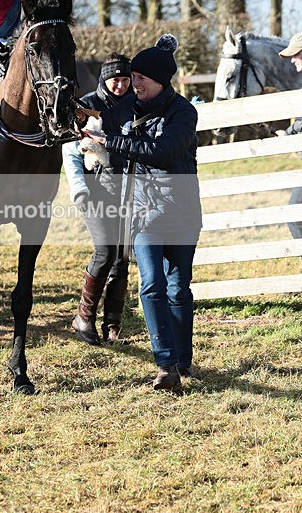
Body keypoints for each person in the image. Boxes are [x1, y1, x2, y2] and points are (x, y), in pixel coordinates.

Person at [83, 35, 202, 393]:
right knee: (152, 285)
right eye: (132, 78)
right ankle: (166, 365)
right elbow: (95, 108)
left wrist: (112, 142)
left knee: (179, 289)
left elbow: (163, 151)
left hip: (180, 212)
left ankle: (183, 360)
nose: (133, 85)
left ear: (161, 81)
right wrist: (85, 129)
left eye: (140, 79)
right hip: (143, 212)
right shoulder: (124, 109)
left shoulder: (183, 112)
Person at [63, 53, 132, 344]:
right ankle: (84, 317)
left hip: (127, 188)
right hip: (95, 190)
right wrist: (80, 189)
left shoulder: (134, 103)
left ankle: (112, 324)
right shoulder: (86, 106)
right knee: (105, 251)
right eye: (116, 79)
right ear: (105, 77)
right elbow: (70, 150)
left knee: (122, 257)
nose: (121, 85)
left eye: (125, 79)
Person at [276, 29, 302, 274]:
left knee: (295, 211)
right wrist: (289, 134)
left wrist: (295, 129)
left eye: (296, 54)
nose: (292, 59)